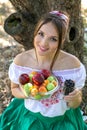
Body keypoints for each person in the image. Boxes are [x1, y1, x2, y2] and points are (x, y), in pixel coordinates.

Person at [0, 10, 87, 130]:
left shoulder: (72, 66)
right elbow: (14, 89)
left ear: (61, 41)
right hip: (31, 119)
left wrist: (76, 99)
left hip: (62, 121)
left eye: (53, 39)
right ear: (35, 32)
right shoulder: (21, 61)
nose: (43, 43)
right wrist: (26, 94)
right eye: (41, 34)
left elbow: (73, 104)